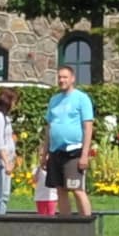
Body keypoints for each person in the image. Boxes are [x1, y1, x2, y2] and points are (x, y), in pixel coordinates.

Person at [43, 62, 95, 222]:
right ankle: (65, 226)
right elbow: (48, 127)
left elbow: (88, 127)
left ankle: (86, 224)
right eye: (59, 77)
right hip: (55, 151)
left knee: (77, 189)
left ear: (72, 79)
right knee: (60, 190)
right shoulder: (54, 100)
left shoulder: (82, 98)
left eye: (65, 77)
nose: (61, 80)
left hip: (74, 151)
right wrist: (44, 153)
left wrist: (84, 155)